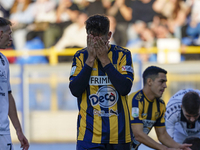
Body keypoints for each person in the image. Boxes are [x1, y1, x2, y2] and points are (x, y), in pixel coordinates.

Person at [69, 14, 134, 150]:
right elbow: (75, 90)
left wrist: (104, 60)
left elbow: (125, 88)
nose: (95, 41)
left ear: (109, 35)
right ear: (87, 36)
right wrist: (90, 60)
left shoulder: (123, 55)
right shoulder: (80, 57)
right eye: (92, 36)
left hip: (119, 135)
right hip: (88, 135)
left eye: (99, 36)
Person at [128, 66, 192, 150]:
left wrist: (179, 146)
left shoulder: (160, 105)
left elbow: (162, 135)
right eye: (161, 82)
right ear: (149, 81)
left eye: (165, 82)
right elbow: (138, 135)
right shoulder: (135, 101)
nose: (165, 86)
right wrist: (164, 149)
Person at [0, 17, 29, 150]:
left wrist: (18, 130)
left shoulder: (4, 61)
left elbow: (8, 95)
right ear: (0, 34)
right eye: (9, 34)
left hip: (4, 133)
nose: (11, 39)